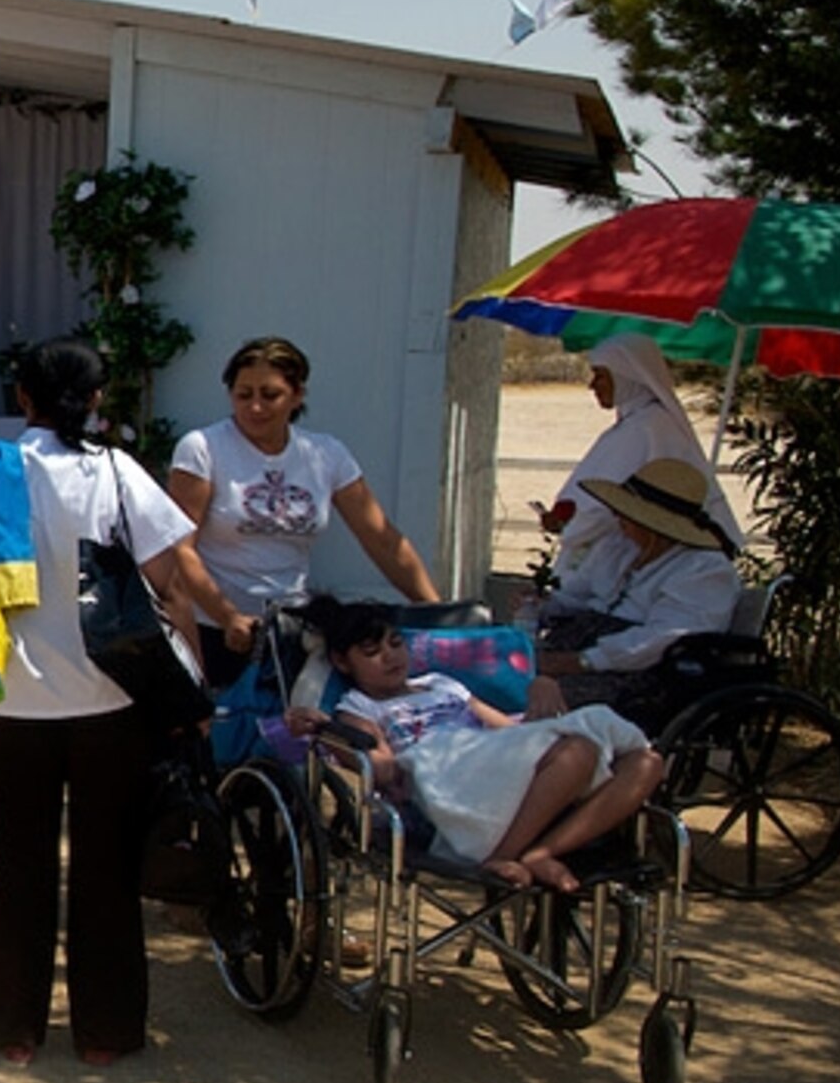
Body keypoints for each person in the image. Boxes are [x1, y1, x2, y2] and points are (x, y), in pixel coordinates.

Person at [0, 339, 201, 1066]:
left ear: (22, 397)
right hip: (107, 696)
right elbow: (168, 577)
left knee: (18, 865)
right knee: (107, 868)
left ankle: (12, 1026)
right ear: (95, 399)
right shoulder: (116, 472)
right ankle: (105, 1030)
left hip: (9, 696)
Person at [295, 599, 667, 894]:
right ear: (342, 661)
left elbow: (510, 732)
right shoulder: (359, 707)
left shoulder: (441, 683)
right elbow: (385, 769)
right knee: (579, 750)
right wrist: (330, 733)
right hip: (446, 777)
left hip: (491, 759)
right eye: (371, 651)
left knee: (646, 763)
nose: (390, 656)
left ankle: (542, 852)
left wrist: (542, 686)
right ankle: (504, 856)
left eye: (395, 643)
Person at [168, 337, 438, 683]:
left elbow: (382, 540)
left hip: (295, 628)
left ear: (297, 396)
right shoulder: (203, 449)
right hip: (216, 630)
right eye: (244, 395)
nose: (255, 407)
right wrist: (227, 616)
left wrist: (437, 612)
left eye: (270, 395)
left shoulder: (325, 454)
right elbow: (179, 547)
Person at [530, 458, 742, 715]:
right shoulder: (621, 545)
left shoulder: (704, 570)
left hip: (637, 673)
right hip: (579, 645)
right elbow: (580, 594)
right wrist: (543, 604)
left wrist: (583, 661)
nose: (617, 517)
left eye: (626, 512)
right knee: (499, 675)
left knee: (528, 696)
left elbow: (662, 639)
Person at [540, 334, 740, 588]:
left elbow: (605, 505)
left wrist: (568, 526)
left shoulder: (645, 428)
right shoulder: (640, 424)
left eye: (600, 375)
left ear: (626, 377)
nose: (592, 386)